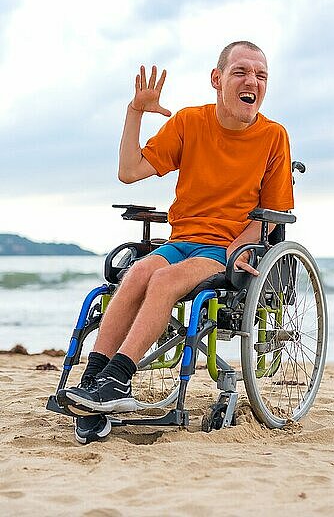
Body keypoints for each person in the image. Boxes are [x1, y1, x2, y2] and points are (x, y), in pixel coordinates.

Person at [58, 41, 294, 443]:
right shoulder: (190, 122)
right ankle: (95, 383)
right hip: (182, 239)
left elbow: (271, 218)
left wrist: (238, 250)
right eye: (240, 72)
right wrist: (135, 112)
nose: (251, 80)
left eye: (261, 75)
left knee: (164, 282)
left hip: (225, 249)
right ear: (217, 80)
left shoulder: (273, 137)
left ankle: (116, 381)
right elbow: (129, 171)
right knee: (137, 275)